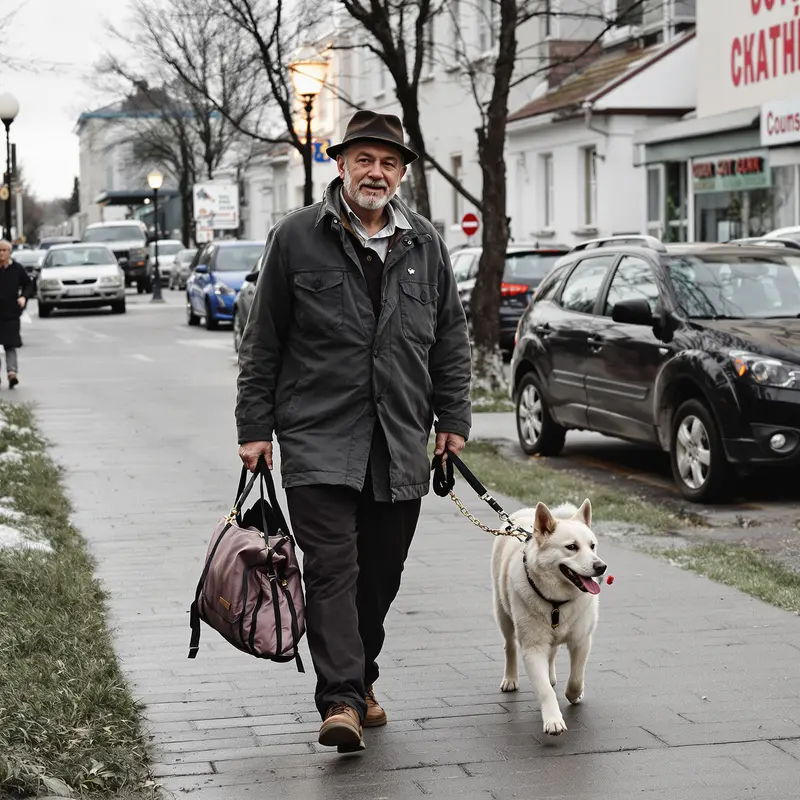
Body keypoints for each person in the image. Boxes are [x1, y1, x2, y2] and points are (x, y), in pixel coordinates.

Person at [236, 110, 472, 753]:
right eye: (364, 159)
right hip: (317, 436)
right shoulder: (295, 238)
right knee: (333, 567)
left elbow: (451, 337)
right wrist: (255, 424)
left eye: (389, 162)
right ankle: (339, 699)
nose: (376, 172)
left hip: (397, 439)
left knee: (382, 574)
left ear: (401, 174)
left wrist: (453, 417)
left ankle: (360, 677)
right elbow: (263, 341)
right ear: (340, 164)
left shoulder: (424, 244)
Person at [0, 239, 33, 388]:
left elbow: (28, 284)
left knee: (10, 344)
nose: (1, 253)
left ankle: (12, 373)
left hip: (11, 312)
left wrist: (23, 297)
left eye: (4, 250)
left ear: (10, 252)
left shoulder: (17, 268)